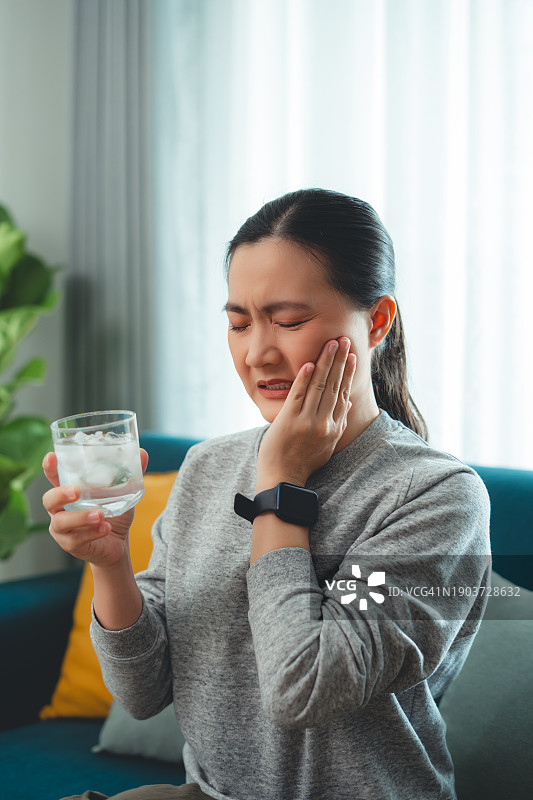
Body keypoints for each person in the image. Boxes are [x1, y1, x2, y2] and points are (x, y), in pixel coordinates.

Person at [43, 188, 491, 800]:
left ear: (377, 321)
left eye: (289, 321)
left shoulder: (435, 496)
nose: (257, 352)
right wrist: (110, 563)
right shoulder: (207, 467)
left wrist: (281, 486)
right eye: (238, 323)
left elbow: (301, 688)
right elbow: (141, 694)